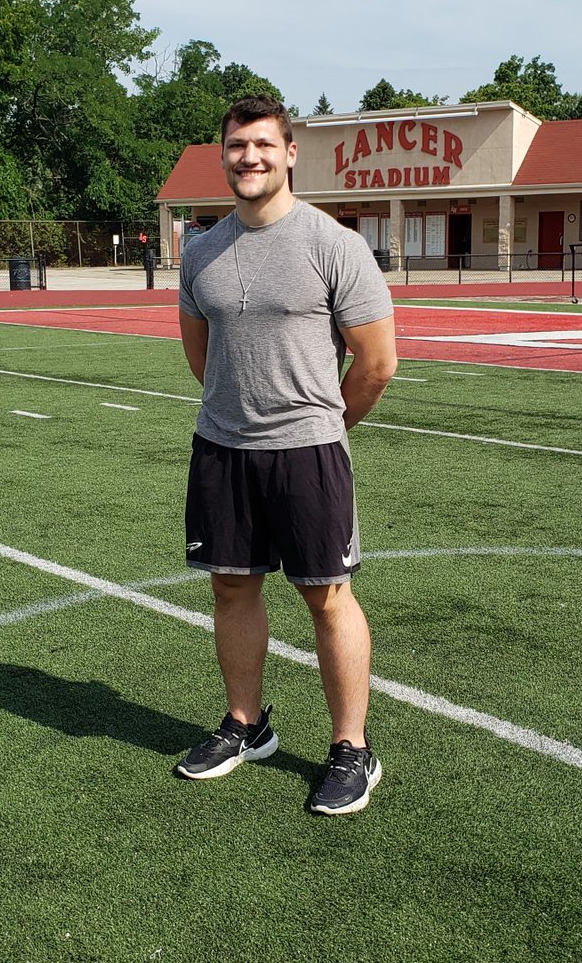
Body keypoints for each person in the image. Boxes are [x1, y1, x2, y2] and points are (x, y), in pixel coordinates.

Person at [175, 94, 397, 815]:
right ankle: (247, 725)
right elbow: (199, 354)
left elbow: (376, 364)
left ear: (290, 152)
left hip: (307, 454)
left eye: (264, 145)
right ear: (224, 155)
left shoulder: (333, 244)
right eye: (238, 146)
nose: (250, 158)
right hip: (222, 449)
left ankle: (352, 750)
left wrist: (324, 426)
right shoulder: (201, 250)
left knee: (327, 598)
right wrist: (237, 414)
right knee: (230, 587)